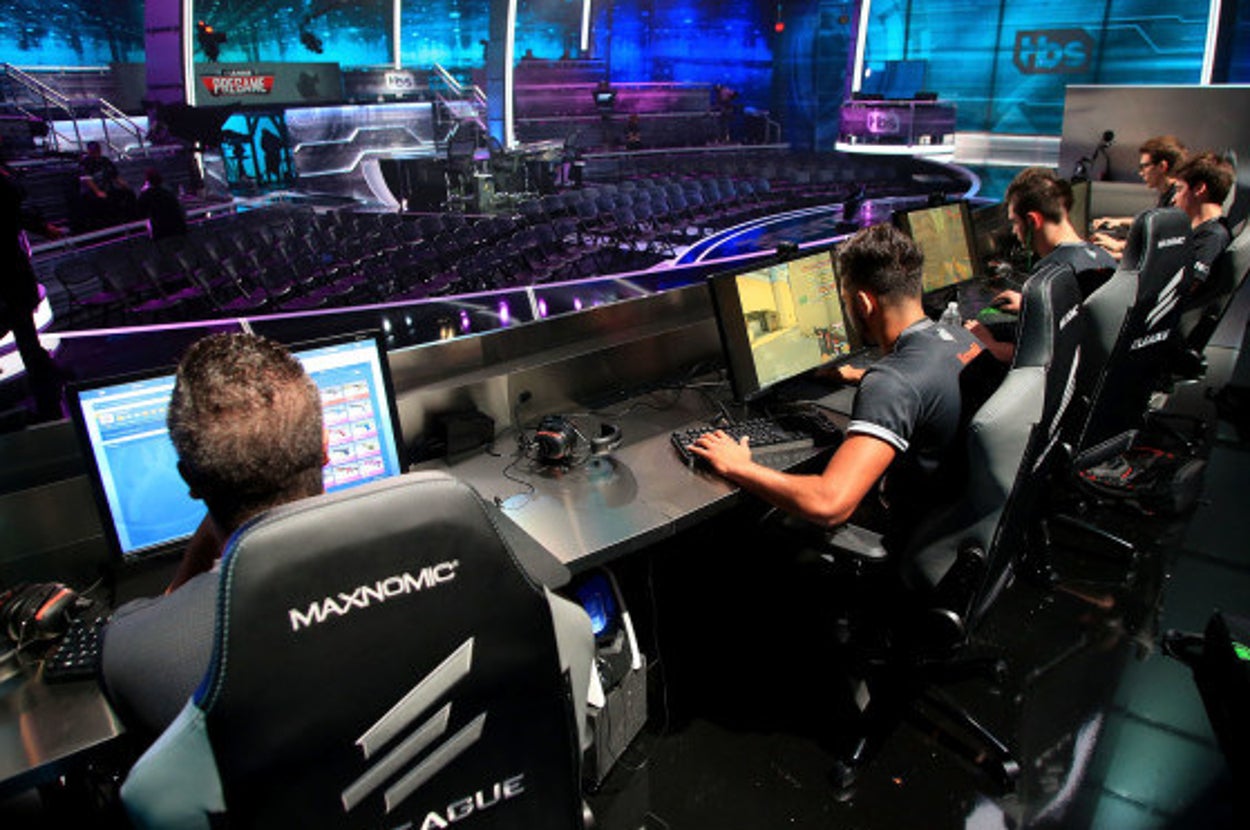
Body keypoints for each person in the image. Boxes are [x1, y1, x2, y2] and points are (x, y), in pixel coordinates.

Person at [689, 223, 988, 555]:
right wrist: (858, 375)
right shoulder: (962, 339)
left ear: (863, 304)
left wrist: (739, 466)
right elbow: (929, 386)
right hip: (964, 524)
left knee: (752, 532)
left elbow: (830, 504)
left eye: (844, 301)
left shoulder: (892, 383)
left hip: (909, 542)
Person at [100, 332, 327, 742]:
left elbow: (168, 618)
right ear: (326, 448)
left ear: (189, 480)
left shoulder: (133, 650)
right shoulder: (439, 562)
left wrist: (193, 564)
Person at [965, 167, 1117, 364]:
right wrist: (1032, 304)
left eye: (1015, 222)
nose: (1015, 231)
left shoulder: (1050, 277)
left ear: (1032, 220)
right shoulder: (1101, 257)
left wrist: (988, 343)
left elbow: (1038, 358)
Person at [1, 137, 67, 421]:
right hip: (6, 269)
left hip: (12, 267)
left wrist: (41, 227)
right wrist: (41, 227)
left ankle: (47, 388)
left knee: (25, 332)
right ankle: (45, 382)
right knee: (21, 329)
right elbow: (12, 209)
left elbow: (14, 211)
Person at [1091, 135, 1187, 257]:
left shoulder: (1177, 200)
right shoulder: (1168, 193)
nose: (1140, 173)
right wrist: (1119, 221)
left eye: (1144, 166)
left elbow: (1161, 247)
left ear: (1162, 167)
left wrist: (1118, 248)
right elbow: (1155, 222)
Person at [1172, 151, 1234, 297]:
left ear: (1199, 189)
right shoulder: (1203, 231)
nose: (1174, 199)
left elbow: (1184, 288)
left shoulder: (1212, 237)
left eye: (1179, 189)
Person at [77, 140, 134, 230]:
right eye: (93, 150)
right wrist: (98, 192)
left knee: (127, 194)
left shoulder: (105, 161)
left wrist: (125, 185)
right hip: (91, 193)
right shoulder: (85, 163)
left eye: (97, 150)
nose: (96, 152)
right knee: (102, 200)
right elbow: (87, 180)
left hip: (107, 189)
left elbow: (115, 176)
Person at [135, 168, 187, 240]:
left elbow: (140, 213)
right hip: (178, 230)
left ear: (147, 181)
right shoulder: (168, 192)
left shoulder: (146, 195)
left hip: (162, 233)